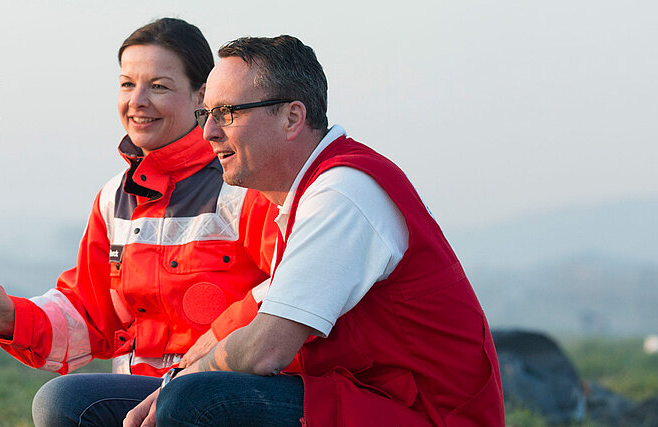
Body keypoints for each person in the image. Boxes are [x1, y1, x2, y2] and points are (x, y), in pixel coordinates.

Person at [124, 35, 505, 426]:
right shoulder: (297, 198)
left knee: (197, 400)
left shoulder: (344, 191)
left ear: (292, 117)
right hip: (355, 399)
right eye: (206, 114)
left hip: (421, 415)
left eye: (227, 112)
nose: (209, 133)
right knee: (75, 400)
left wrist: (184, 378)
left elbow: (265, 350)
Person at [0, 18, 281, 426]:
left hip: (225, 393)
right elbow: (89, 316)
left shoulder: (244, 188)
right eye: (127, 84)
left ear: (202, 97)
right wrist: (4, 312)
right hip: (138, 399)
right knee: (60, 402)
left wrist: (211, 354)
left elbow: (288, 291)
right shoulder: (113, 199)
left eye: (158, 86)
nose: (137, 100)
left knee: (62, 401)